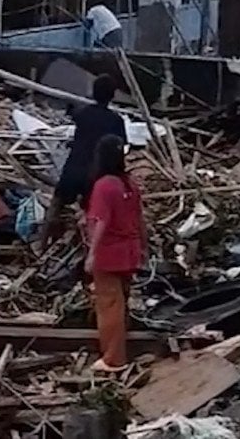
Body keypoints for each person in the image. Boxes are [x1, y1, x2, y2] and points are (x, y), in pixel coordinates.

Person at [35, 75, 126, 251]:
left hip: (74, 166)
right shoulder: (116, 121)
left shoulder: (83, 114)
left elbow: (75, 120)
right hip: (96, 173)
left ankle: (41, 244)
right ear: (113, 95)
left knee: (56, 204)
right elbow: (119, 149)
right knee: (92, 212)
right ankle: (90, 250)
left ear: (93, 92)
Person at [83, 134, 147, 372]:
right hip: (129, 251)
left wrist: (92, 254)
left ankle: (113, 358)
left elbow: (101, 221)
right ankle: (121, 349)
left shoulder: (103, 186)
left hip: (109, 253)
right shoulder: (128, 184)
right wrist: (144, 247)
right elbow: (140, 219)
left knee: (109, 305)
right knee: (121, 303)